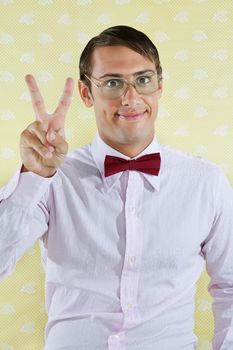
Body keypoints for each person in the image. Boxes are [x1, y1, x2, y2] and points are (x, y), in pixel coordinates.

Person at [0, 25, 233, 350]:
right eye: (112, 83)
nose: (130, 98)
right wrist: (34, 177)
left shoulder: (205, 183)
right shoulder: (54, 178)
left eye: (143, 79)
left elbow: (230, 287)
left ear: (160, 87)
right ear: (86, 93)